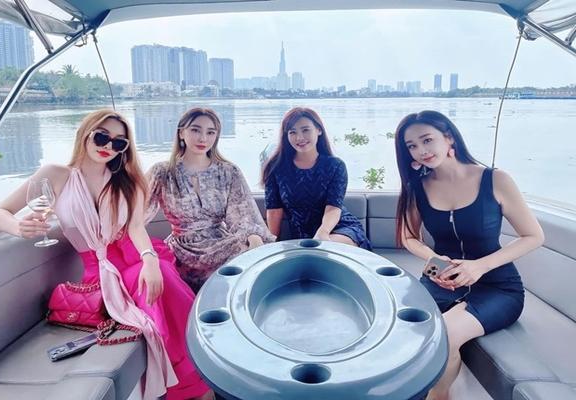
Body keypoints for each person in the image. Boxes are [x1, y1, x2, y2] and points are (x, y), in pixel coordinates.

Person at [0, 109, 212, 400]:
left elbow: (136, 228)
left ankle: (199, 384)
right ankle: (189, 387)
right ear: (86, 133)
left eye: (119, 142)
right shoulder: (55, 175)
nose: (108, 146)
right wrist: (18, 227)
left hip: (134, 257)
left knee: (161, 283)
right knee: (153, 299)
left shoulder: (127, 180)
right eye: (102, 137)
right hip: (99, 271)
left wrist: (150, 259)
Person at [394, 110, 544, 400]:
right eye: (412, 146)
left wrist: (479, 266)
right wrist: (434, 260)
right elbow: (409, 237)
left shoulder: (495, 179)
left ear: (449, 137)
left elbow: (534, 236)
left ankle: (438, 397)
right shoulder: (417, 188)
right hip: (440, 279)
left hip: (497, 287)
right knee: (404, 331)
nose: (421, 150)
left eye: (427, 140)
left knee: (445, 333)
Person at [147, 108, 274, 293]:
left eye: (210, 132)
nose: (203, 138)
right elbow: (136, 214)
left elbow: (242, 213)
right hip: (181, 250)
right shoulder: (163, 172)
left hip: (220, 243)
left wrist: (254, 238)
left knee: (254, 257)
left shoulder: (228, 171)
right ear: (181, 132)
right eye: (195, 130)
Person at [261, 107, 371, 250]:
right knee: (312, 251)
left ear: (319, 130)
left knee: (322, 249)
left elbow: (333, 207)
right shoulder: (276, 168)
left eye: (305, 130)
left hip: (339, 230)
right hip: (303, 238)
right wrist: (271, 245)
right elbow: (274, 210)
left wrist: (323, 233)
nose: (299, 137)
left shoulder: (335, 166)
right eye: (292, 132)